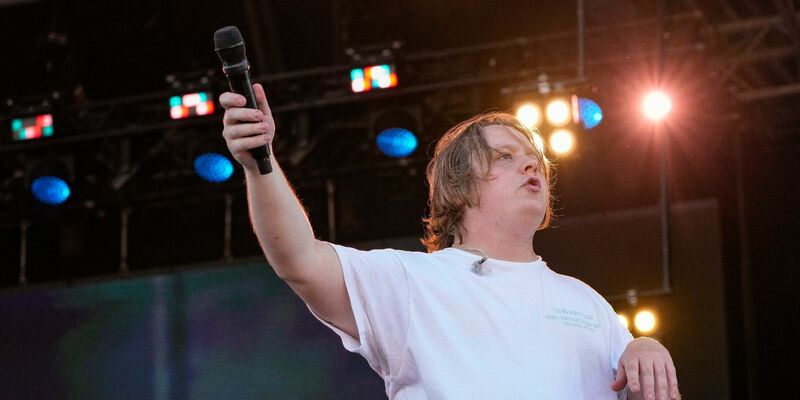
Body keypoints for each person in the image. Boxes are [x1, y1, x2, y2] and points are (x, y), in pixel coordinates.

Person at [220, 83, 680, 400]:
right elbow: (299, 259)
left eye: (534, 159)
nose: (531, 167)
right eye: (505, 157)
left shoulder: (590, 305)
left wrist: (645, 349)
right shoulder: (411, 281)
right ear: (458, 188)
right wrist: (259, 162)